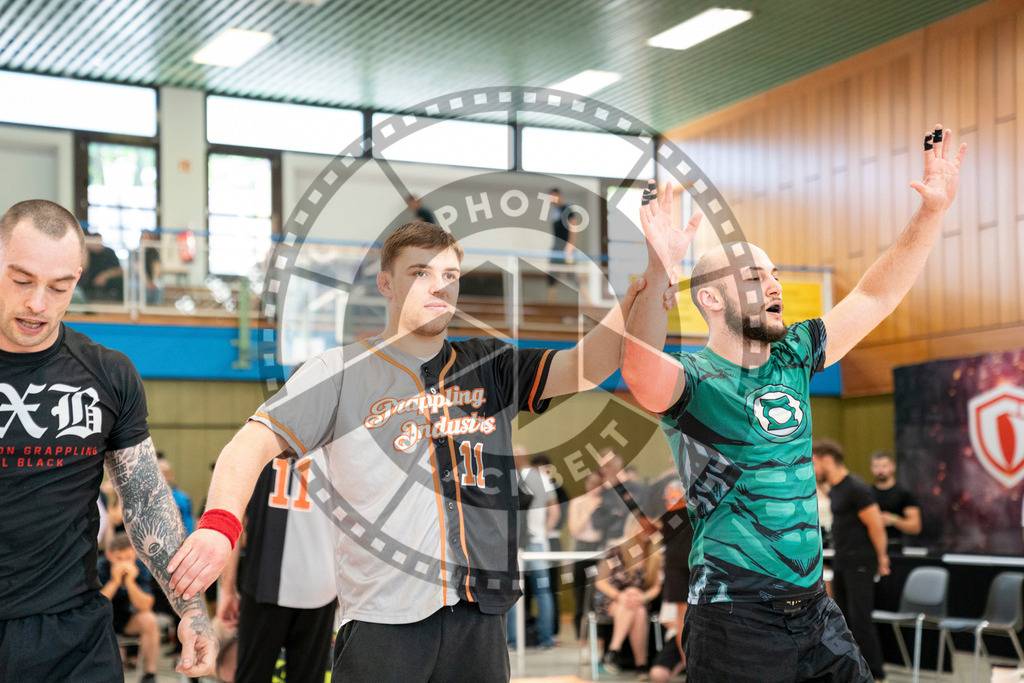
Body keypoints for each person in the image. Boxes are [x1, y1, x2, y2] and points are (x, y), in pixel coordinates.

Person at [166, 218, 652, 681]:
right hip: (383, 620)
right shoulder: (338, 372)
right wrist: (219, 526)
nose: (439, 287)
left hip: (479, 617)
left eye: (450, 275)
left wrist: (641, 290)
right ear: (386, 284)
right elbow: (249, 444)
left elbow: (586, 366)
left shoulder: (491, 364)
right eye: (421, 273)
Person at [620, 125, 965, 682]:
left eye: (775, 274)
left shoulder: (794, 355)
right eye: (755, 277)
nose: (774, 285)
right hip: (734, 619)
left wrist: (932, 212)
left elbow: (875, 294)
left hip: (814, 611)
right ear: (710, 298)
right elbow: (637, 369)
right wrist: (660, 269)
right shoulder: (694, 381)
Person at [0, 199, 216, 680]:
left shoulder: (106, 373)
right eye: (22, 281)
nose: (38, 303)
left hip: (72, 636)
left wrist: (191, 610)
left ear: (77, 279)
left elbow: (145, 499)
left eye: (59, 287)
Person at [217, 449, 337, 683]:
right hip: (319, 585)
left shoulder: (259, 440)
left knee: (251, 677)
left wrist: (227, 588)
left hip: (265, 582)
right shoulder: (339, 443)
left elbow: (233, 517)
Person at [812, 439, 888, 682]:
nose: (813, 468)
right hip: (843, 561)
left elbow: (876, 526)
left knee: (860, 619)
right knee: (842, 620)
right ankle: (851, 672)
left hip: (861, 562)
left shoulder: (856, 487)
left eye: (814, 462)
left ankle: (876, 674)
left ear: (826, 459)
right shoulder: (835, 489)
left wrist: (882, 558)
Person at [593, 515, 663, 676]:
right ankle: (641, 664)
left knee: (638, 607)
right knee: (633, 602)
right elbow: (601, 582)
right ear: (633, 527)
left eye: (651, 527)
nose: (646, 530)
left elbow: (656, 588)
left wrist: (642, 598)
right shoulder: (617, 550)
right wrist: (621, 596)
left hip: (640, 601)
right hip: (612, 599)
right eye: (642, 526)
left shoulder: (656, 556)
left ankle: (613, 651)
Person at [508, 451, 558, 650]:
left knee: (516, 591)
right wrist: (543, 533)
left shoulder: (505, 476)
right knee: (541, 591)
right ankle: (544, 639)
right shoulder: (542, 478)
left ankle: (515, 640)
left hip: (519, 543)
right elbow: (555, 512)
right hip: (532, 542)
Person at [99, 533, 161, 683]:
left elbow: (146, 605)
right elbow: (96, 605)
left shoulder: (141, 567)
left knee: (149, 620)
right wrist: (114, 582)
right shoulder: (99, 568)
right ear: (109, 555)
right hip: (102, 620)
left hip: (127, 617)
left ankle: (149, 675)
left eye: (128, 558)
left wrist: (130, 582)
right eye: (119, 558)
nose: (124, 563)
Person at [648, 471, 692, 683]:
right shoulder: (704, 474)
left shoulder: (660, 484)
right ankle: (691, 669)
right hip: (693, 558)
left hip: (679, 558)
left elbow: (648, 523)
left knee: (684, 618)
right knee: (685, 618)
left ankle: (691, 670)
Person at [568, 470, 605, 640]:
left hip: (600, 548)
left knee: (598, 592)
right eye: (591, 483)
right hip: (582, 549)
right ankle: (580, 633)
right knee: (580, 592)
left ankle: (599, 632)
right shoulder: (577, 502)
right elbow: (575, 530)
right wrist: (589, 510)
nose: (593, 487)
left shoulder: (606, 502)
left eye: (597, 484)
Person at [870, 450, 921, 550]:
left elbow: (916, 526)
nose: (880, 470)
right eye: (876, 466)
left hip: (897, 545)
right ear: (871, 469)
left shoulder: (904, 494)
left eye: (884, 466)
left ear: (893, 467)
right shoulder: (867, 494)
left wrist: (893, 520)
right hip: (872, 545)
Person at [545, 188, 579, 303]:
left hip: (565, 248)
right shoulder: (554, 212)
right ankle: (551, 304)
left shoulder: (566, 209)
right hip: (557, 247)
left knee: (571, 276)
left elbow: (574, 225)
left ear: (559, 196)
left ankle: (590, 303)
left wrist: (570, 246)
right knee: (552, 275)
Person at [82, 230, 124, 302]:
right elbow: (83, 268)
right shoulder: (88, 254)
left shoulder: (109, 252)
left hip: (108, 283)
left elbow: (119, 270)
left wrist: (105, 275)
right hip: (90, 284)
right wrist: (86, 249)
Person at [159, 457, 196, 535]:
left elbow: (188, 521)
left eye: (165, 473)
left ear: (171, 476)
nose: (163, 477)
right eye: (159, 473)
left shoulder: (182, 498)